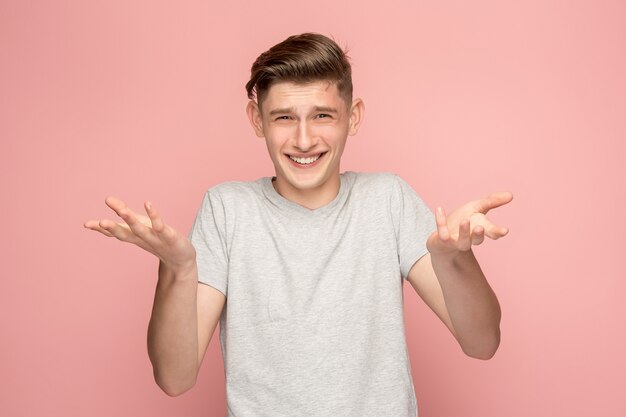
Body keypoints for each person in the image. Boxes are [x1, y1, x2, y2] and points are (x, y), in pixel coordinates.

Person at [84, 33, 512, 416]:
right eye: (284, 117)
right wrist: (176, 271)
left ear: (353, 116)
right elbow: (174, 379)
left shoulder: (388, 200)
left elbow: (482, 343)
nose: (304, 139)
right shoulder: (227, 209)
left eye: (323, 116)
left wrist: (456, 259)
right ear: (257, 121)